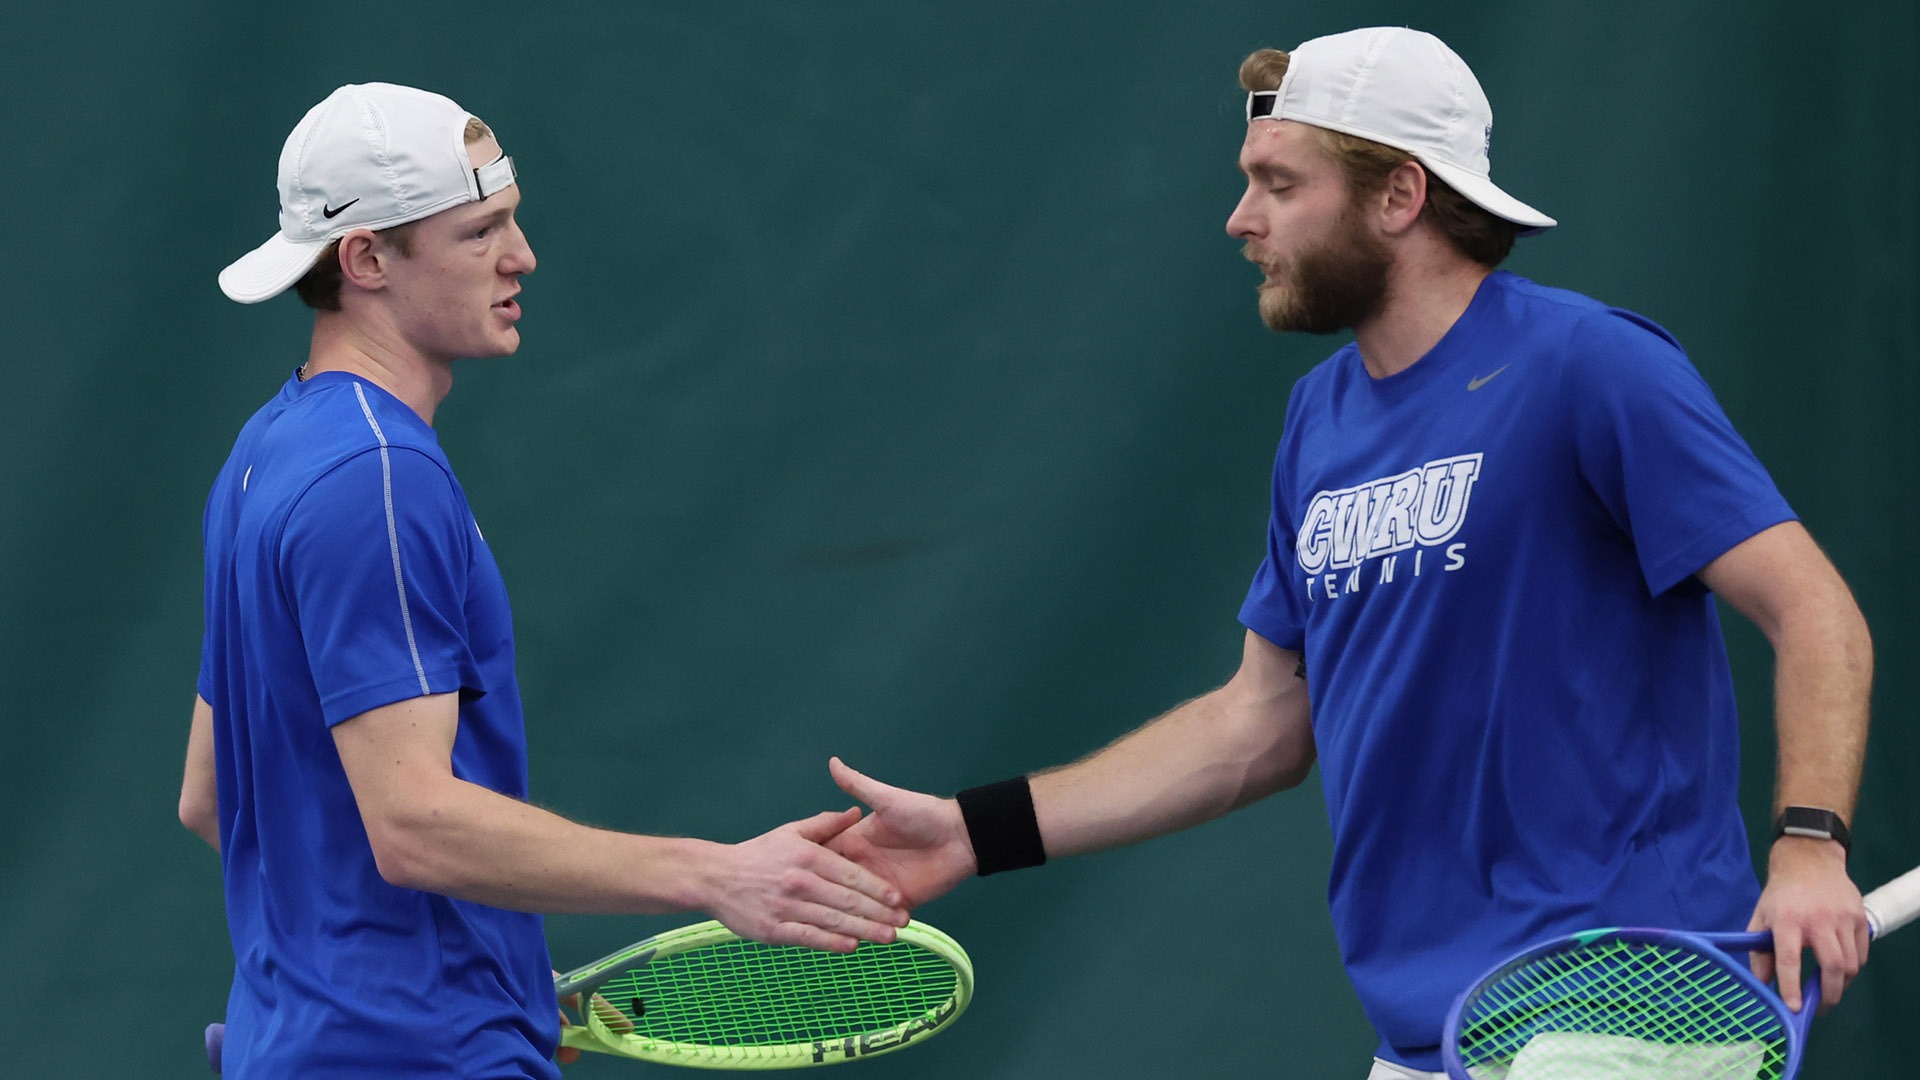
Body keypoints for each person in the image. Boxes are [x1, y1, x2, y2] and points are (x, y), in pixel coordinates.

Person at [824, 27, 1873, 1079]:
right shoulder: (1317, 422)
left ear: (1400, 195)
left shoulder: (1591, 365)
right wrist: (974, 832)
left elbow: (1814, 612)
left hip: (1626, 999)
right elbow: (1258, 724)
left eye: (1280, 185)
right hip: (1430, 1031)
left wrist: (1809, 847)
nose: (1241, 219)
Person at [176, 82, 907, 1078]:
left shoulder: (266, 451)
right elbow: (412, 825)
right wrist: (719, 874)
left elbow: (212, 796)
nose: (521, 256)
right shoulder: (376, 477)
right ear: (367, 260)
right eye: (479, 232)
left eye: (511, 220)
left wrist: (471, 972)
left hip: (307, 1042)